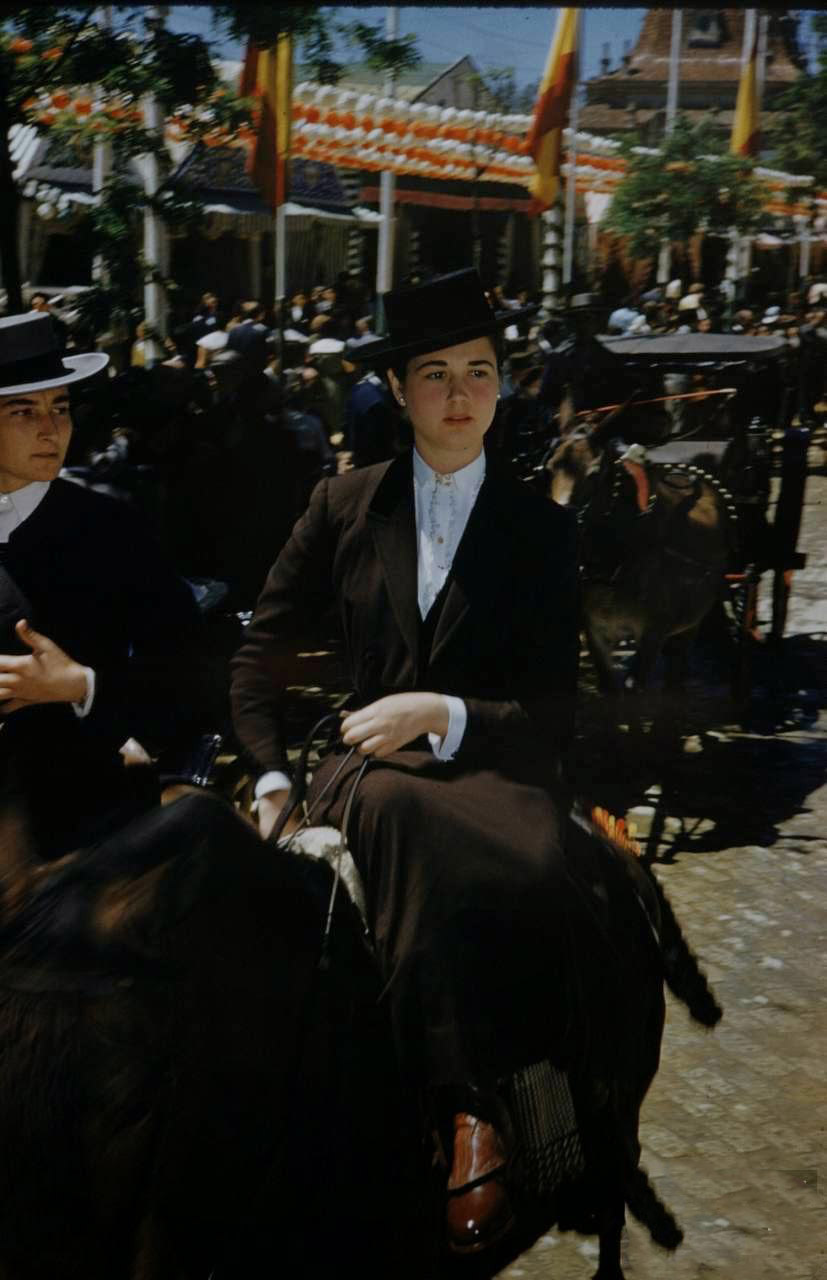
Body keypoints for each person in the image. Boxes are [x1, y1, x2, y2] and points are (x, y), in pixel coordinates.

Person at [231, 269, 586, 1256]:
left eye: (479, 371)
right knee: (385, 802)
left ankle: (482, 1098)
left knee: (471, 830)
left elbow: (557, 710)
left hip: (498, 774)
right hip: (364, 774)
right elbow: (257, 653)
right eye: (435, 374)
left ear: (503, 384)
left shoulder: (539, 529)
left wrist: (448, 711)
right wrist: (266, 774)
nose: (459, 393)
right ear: (397, 389)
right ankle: (453, 1095)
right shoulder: (342, 504)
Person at [0, 311, 207, 859]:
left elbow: (187, 680)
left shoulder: (113, 528)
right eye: (24, 411)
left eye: (60, 408)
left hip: (85, 827)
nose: (52, 429)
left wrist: (82, 686)